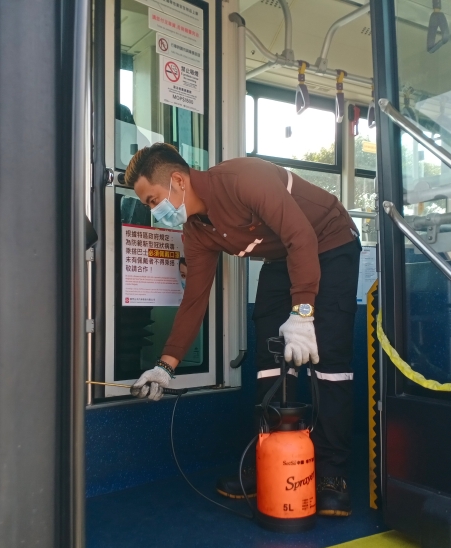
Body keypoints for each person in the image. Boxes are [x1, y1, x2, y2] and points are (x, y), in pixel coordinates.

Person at [126, 143, 361, 517]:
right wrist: (165, 366)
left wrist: (303, 313)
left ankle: (333, 474)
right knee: (269, 353)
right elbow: (194, 299)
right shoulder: (196, 231)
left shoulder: (244, 178)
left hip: (330, 241)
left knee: (328, 357)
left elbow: (301, 235)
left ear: (177, 180)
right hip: (282, 256)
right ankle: (270, 461)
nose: (155, 212)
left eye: (153, 201)